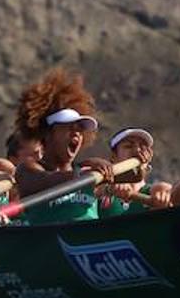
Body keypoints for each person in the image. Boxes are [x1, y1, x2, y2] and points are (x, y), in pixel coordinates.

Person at [12, 69, 116, 224]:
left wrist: (113, 169)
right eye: (69, 128)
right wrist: (83, 175)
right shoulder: (27, 169)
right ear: (47, 133)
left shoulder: (86, 171)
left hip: (89, 236)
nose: (76, 134)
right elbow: (45, 180)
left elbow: (133, 177)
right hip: (49, 237)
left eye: (80, 129)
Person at [99, 128, 172, 215]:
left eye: (143, 147)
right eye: (129, 146)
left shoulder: (156, 191)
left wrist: (165, 195)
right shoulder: (99, 188)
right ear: (113, 156)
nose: (137, 150)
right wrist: (109, 187)